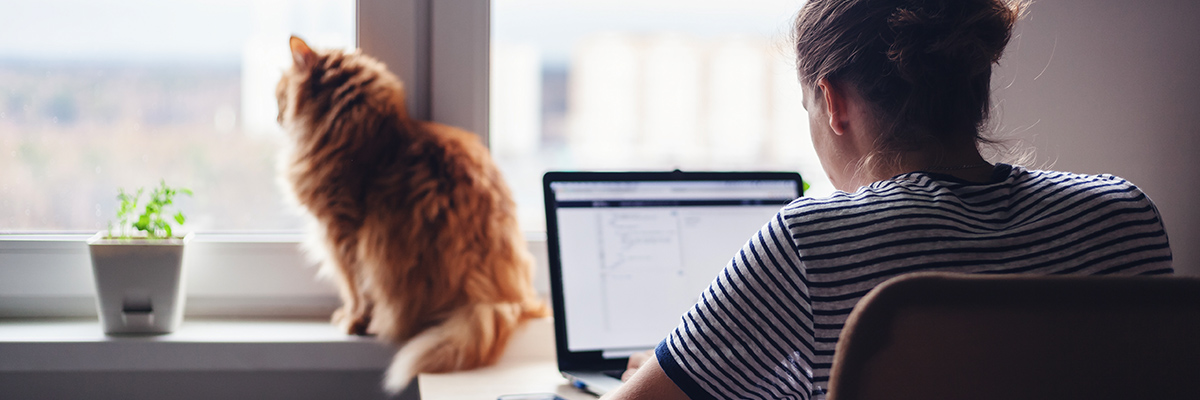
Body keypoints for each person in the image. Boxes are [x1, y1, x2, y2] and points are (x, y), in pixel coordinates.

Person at [604, 0, 1174, 399]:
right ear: (976, 85)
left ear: (833, 103)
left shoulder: (811, 242)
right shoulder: (1124, 216)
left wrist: (669, 374)